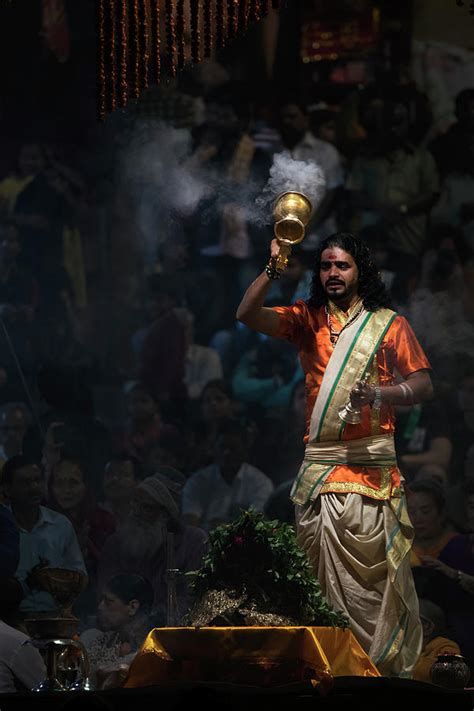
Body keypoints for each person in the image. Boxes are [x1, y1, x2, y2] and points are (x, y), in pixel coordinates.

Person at [236, 232, 433, 677]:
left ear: (360, 270)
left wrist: (380, 393)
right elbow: (246, 313)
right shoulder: (307, 319)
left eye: (341, 266)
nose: (332, 274)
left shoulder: (389, 323)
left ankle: (373, 676)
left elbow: (423, 384)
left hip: (371, 472)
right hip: (321, 473)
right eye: (325, 266)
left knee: (373, 584)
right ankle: (326, 672)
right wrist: (274, 266)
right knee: (316, 583)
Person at [1, 455, 87, 616]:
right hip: (8, 619)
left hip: (54, 617)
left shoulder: (60, 525)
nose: (33, 487)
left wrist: (54, 579)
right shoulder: (3, 526)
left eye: (37, 480)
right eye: (24, 482)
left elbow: (78, 576)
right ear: (6, 488)